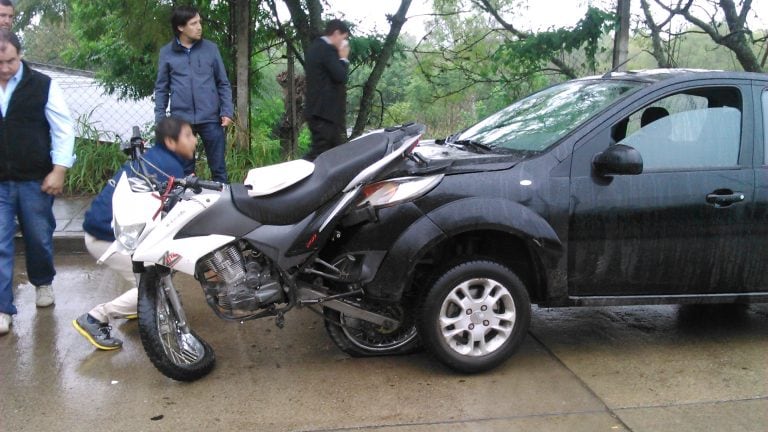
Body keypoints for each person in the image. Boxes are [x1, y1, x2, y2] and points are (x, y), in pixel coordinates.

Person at [73, 116, 196, 350]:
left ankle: (136, 305)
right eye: (188, 135)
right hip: (109, 239)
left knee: (159, 273)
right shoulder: (167, 168)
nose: (195, 141)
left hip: (103, 231)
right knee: (157, 288)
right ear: (171, 142)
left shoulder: (156, 160)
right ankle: (96, 318)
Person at [0, 29, 76, 336]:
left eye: (10, 61)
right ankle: (3, 308)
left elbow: (63, 128)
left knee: (39, 238)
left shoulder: (43, 85)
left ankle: (43, 282)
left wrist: (59, 169)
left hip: (35, 180)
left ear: (20, 56)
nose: (5, 68)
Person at [154, 5, 233, 183]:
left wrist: (227, 110)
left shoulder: (211, 49)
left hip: (211, 118)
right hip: (181, 121)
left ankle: (223, 209)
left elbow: (223, 82)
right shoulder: (167, 53)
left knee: (219, 170)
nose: (199, 27)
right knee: (184, 174)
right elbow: (161, 88)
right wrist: (160, 119)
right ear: (181, 27)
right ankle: (189, 208)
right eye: (194, 23)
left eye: (200, 22)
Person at [303, 19, 350, 161]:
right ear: (336, 33)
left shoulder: (315, 47)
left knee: (333, 154)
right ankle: (292, 176)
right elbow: (340, 76)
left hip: (320, 112)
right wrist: (343, 59)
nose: (344, 43)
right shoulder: (326, 49)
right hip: (324, 114)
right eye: (344, 38)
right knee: (320, 154)